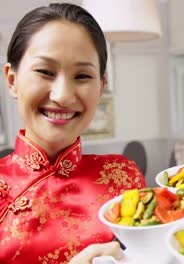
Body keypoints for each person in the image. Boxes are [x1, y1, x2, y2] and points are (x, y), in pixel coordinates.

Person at [0, 3, 145, 263]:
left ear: (100, 87)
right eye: (45, 72)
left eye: (82, 76)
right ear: (12, 80)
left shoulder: (124, 177)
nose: (63, 96)